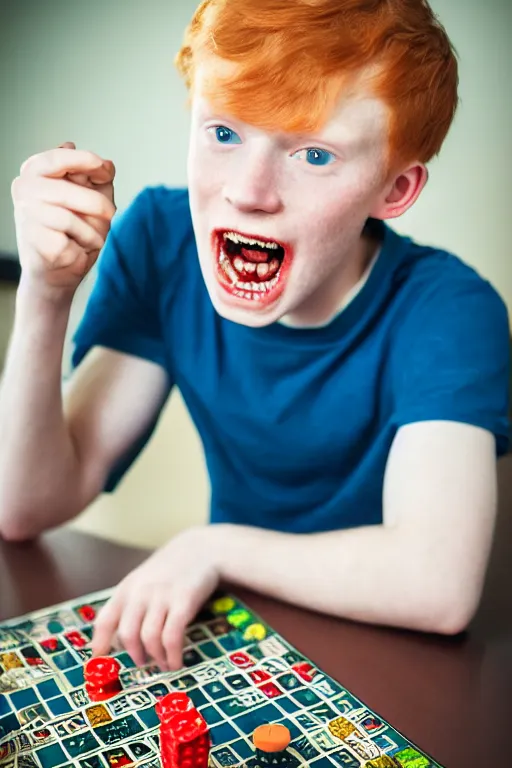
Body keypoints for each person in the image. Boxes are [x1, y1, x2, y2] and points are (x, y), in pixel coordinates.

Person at [0, 0, 509, 671]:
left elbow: (437, 587)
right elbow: (23, 507)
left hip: (401, 661)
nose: (248, 192)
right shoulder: (161, 242)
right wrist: (45, 289)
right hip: (239, 631)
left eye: (315, 153)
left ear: (395, 187)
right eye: (224, 133)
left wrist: (213, 545)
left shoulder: (451, 309)